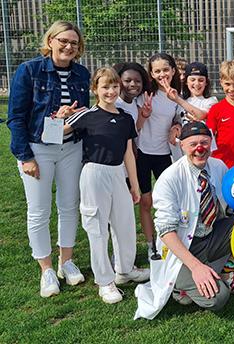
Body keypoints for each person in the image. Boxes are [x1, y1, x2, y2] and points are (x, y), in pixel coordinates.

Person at [134, 122, 234, 320]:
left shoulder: (218, 167)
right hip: (181, 250)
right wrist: (195, 267)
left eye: (204, 142)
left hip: (209, 237)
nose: (199, 149)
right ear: (181, 145)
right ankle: (180, 284)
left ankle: (226, 273)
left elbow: (228, 203)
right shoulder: (169, 179)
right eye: (193, 144)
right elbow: (166, 232)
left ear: (211, 143)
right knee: (218, 298)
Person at [7, 20, 89, 297]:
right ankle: (46, 269)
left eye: (74, 43)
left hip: (71, 148)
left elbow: (82, 113)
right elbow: (16, 117)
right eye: (63, 41)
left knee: (69, 206)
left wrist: (74, 115)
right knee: (39, 211)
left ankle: (67, 261)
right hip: (38, 149)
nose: (68, 46)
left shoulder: (81, 73)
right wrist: (25, 156)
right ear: (50, 41)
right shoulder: (29, 70)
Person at [60, 67, 150, 304]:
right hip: (94, 174)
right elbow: (56, 133)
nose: (110, 91)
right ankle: (105, 281)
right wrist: (59, 117)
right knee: (97, 227)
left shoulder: (125, 118)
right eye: (105, 87)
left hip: (118, 173)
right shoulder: (86, 115)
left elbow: (129, 152)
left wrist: (134, 184)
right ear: (95, 90)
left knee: (125, 224)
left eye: (114, 86)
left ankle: (125, 269)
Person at [136, 52, 183, 257]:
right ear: (151, 74)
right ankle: (150, 244)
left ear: (173, 71)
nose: (162, 74)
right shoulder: (145, 96)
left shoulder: (176, 96)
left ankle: (172, 240)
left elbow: (180, 118)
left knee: (170, 199)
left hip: (165, 154)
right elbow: (136, 125)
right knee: (146, 201)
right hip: (143, 153)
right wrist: (144, 115)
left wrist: (176, 125)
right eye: (157, 71)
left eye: (166, 69)